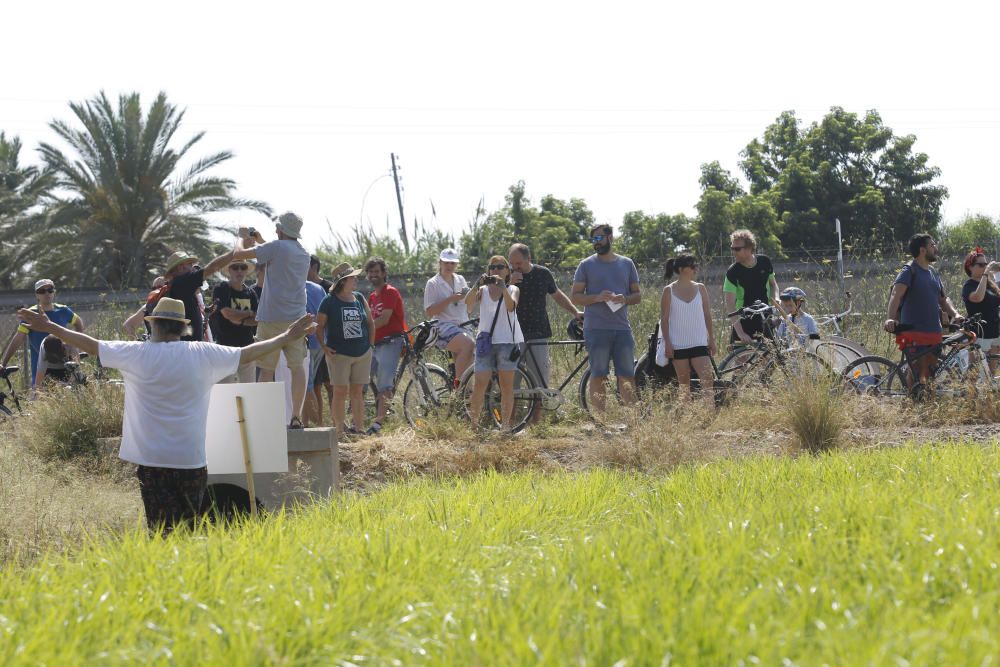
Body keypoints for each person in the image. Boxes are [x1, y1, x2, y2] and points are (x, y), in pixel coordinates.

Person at [15, 297, 316, 533]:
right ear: (183, 327)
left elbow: (91, 346)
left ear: (154, 325)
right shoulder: (203, 353)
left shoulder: (137, 353)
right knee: (189, 528)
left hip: (153, 461)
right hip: (192, 461)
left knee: (159, 531)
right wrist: (287, 336)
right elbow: (248, 352)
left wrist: (51, 327)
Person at [231, 213, 311, 429]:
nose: (276, 231)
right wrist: (260, 240)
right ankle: (296, 416)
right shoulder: (304, 253)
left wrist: (241, 236)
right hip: (296, 319)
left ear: (282, 230)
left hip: (271, 317)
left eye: (278, 229)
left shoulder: (275, 247)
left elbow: (238, 255)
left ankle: (263, 419)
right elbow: (278, 252)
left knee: (267, 369)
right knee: (297, 368)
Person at [570, 224, 641, 414]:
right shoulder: (586, 265)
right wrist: (597, 297)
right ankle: (600, 421)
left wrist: (624, 299)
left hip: (622, 329)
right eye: (593, 239)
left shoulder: (627, 264)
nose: (596, 243)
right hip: (596, 328)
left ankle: (632, 420)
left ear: (610, 237)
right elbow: (575, 296)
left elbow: (638, 296)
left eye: (599, 238)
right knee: (599, 374)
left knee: (627, 375)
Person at [508, 243, 583, 421]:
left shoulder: (543, 274)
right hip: (512, 332)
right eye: (512, 263)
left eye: (518, 263)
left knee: (540, 378)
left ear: (529, 259)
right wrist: (509, 282)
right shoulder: (507, 275)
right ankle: (510, 419)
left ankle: (537, 420)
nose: (515, 267)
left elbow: (557, 295)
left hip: (538, 332)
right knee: (512, 379)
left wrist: (574, 311)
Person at [884, 233, 963, 386]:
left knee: (931, 374)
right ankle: (910, 405)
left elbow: (943, 299)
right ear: (922, 250)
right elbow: (896, 294)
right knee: (916, 374)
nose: (936, 248)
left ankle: (927, 404)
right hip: (914, 332)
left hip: (933, 331)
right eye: (932, 245)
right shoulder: (909, 270)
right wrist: (890, 318)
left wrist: (956, 314)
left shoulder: (933, 272)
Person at [464, 255, 523, 431]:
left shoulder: (513, 289)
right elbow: (467, 303)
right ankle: (474, 425)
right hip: (486, 342)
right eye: (492, 267)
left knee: (506, 387)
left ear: (507, 271)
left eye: (500, 267)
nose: (496, 270)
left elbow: (511, 307)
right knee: (480, 384)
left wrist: (503, 287)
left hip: (507, 342)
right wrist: (476, 284)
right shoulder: (482, 290)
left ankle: (505, 427)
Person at [316, 263, 375, 437]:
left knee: (357, 392)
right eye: (352, 277)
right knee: (340, 391)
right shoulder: (328, 301)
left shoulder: (359, 297)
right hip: (339, 354)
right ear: (343, 281)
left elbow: (370, 323)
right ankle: (340, 432)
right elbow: (319, 327)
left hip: (362, 352)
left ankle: (359, 429)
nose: (356, 279)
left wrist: (370, 345)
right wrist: (324, 347)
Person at [1, 279, 84, 387]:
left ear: (54, 292)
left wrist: (77, 346)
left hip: (65, 367)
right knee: (41, 399)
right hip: (41, 370)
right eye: (42, 291)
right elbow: (18, 339)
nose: (47, 293)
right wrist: (4, 363)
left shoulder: (63, 310)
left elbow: (78, 323)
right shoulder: (31, 314)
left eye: (50, 290)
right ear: (37, 295)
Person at [659, 254, 715, 407]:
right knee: (684, 385)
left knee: (707, 380)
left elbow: (708, 316)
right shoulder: (668, 291)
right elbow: (664, 320)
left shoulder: (701, 288)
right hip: (678, 345)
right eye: (692, 265)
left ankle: (709, 415)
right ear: (682, 269)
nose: (696, 268)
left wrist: (712, 339)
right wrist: (668, 344)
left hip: (699, 342)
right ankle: (686, 419)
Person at [162, 248, 243, 342]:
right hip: (187, 346)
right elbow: (213, 267)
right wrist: (235, 253)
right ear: (181, 267)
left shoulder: (175, 285)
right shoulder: (183, 281)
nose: (192, 268)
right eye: (190, 264)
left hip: (183, 344)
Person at [366, 256, 407, 435]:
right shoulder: (372, 297)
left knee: (384, 384)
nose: (374, 275)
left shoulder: (390, 292)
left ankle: (378, 424)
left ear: (384, 273)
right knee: (361, 380)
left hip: (391, 342)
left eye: (377, 271)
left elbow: (383, 319)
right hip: (375, 344)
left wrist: (363, 331)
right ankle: (359, 421)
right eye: (371, 272)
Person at [424, 248, 474, 384]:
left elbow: (468, 305)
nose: (449, 266)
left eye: (453, 263)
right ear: (440, 262)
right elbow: (429, 312)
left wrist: (474, 295)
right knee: (469, 345)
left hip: (463, 325)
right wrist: (451, 299)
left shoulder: (460, 279)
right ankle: (457, 389)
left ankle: (463, 396)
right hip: (443, 326)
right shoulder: (433, 283)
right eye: (446, 262)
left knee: (470, 363)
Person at [724, 229, 780, 345]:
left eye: (737, 249)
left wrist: (776, 298)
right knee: (740, 361)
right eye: (732, 248)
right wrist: (740, 333)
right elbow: (730, 305)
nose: (733, 252)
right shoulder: (732, 272)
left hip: (765, 318)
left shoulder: (765, 261)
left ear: (749, 248)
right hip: (743, 320)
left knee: (769, 358)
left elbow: (773, 285)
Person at [211, 259, 259, 383]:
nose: (239, 271)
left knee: (248, 391)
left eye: (242, 267)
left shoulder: (251, 293)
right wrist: (248, 313)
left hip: (247, 348)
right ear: (229, 270)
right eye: (235, 267)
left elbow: (257, 319)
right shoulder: (221, 288)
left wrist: (241, 321)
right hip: (224, 349)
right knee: (225, 392)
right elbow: (226, 313)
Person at [961, 248, 1000, 375]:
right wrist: (986, 274)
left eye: (986, 264)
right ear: (970, 267)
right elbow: (978, 298)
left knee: (992, 373)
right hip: (979, 335)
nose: (985, 266)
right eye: (981, 264)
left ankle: (989, 394)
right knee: (974, 373)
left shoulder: (990, 284)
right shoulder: (969, 285)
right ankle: (970, 395)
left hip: (994, 332)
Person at [302, 278, 329, 426]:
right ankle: (305, 423)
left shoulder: (295, 287)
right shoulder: (318, 288)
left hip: (306, 342)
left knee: (307, 385)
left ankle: (317, 423)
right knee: (308, 384)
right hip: (320, 341)